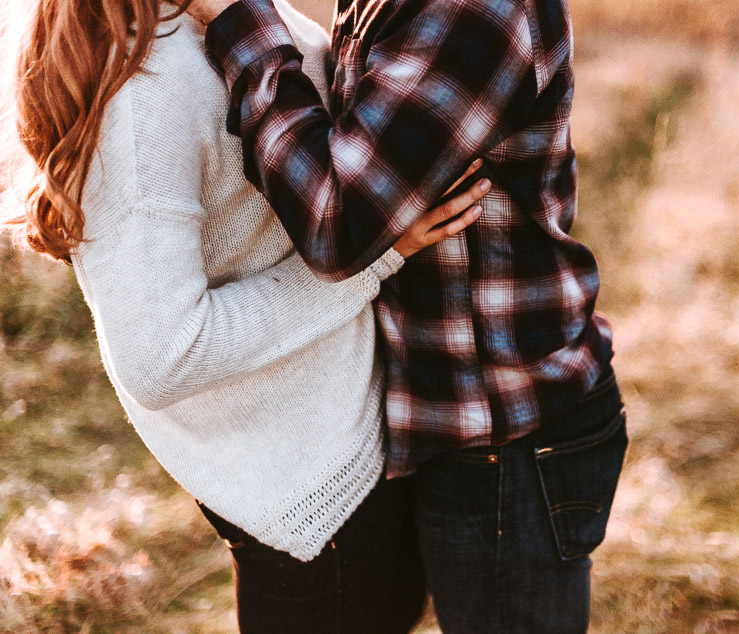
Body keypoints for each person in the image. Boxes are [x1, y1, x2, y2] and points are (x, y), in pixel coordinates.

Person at [0, 0, 489, 631]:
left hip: (352, 441)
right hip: (311, 496)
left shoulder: (220, 15)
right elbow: (161, 354)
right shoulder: (146, 92)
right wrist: (378, 255)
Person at [185, 0, 629, 630]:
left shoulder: (475, 12)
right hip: (433, 415)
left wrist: (242, 23)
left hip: (508, 435)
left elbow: (335, 219)